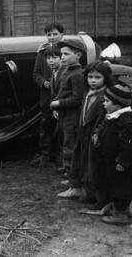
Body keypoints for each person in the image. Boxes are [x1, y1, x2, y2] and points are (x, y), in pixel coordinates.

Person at [92, 83, 132, 225]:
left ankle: (121, 214)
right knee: (114, 186)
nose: (104, 103)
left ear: (117, 105)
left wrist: (122, 161)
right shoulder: (114, 117)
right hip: (111, 161)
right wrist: (98, 134)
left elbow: (129, 146)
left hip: (120, 165)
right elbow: (105, 126)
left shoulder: (126, 123)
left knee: (121, 188)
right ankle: (120, 209)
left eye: (107, 101)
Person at [62, 61, 113, 202]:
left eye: (98, 77)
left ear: (105, 78)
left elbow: (106, 118)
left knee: (93, 165)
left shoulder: (106, 97)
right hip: (83, 133)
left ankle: (92, 194)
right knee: (80, 160)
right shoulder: (88, 93)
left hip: (95, 136)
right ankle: (79, 188)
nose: (93, 81)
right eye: (90, 77)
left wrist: (98, 133)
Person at [52, 39, 86, 199]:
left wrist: (59, 103)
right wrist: (58, 107)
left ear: (78, 55)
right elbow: (62, 91)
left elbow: (77, 99)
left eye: (66, 54)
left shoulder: (78, 74)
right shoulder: (67, 71)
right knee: (66, 145)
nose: (62, 57)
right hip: (65, 114)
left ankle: (76, 186)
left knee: (70, 148)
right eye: (62, 54)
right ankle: (72, 178)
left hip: (72, 117)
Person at [31, 23, 65, 167]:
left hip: (63, 96)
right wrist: (44, 83)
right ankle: (44, 155)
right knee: (46, 126)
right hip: (47, 97)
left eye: (55, 34)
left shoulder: (66, 52)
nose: (52, 37)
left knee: (63, 127)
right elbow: (36, 73)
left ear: (62, 35)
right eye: (49, 34)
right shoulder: (42, 52)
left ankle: (61, 156)